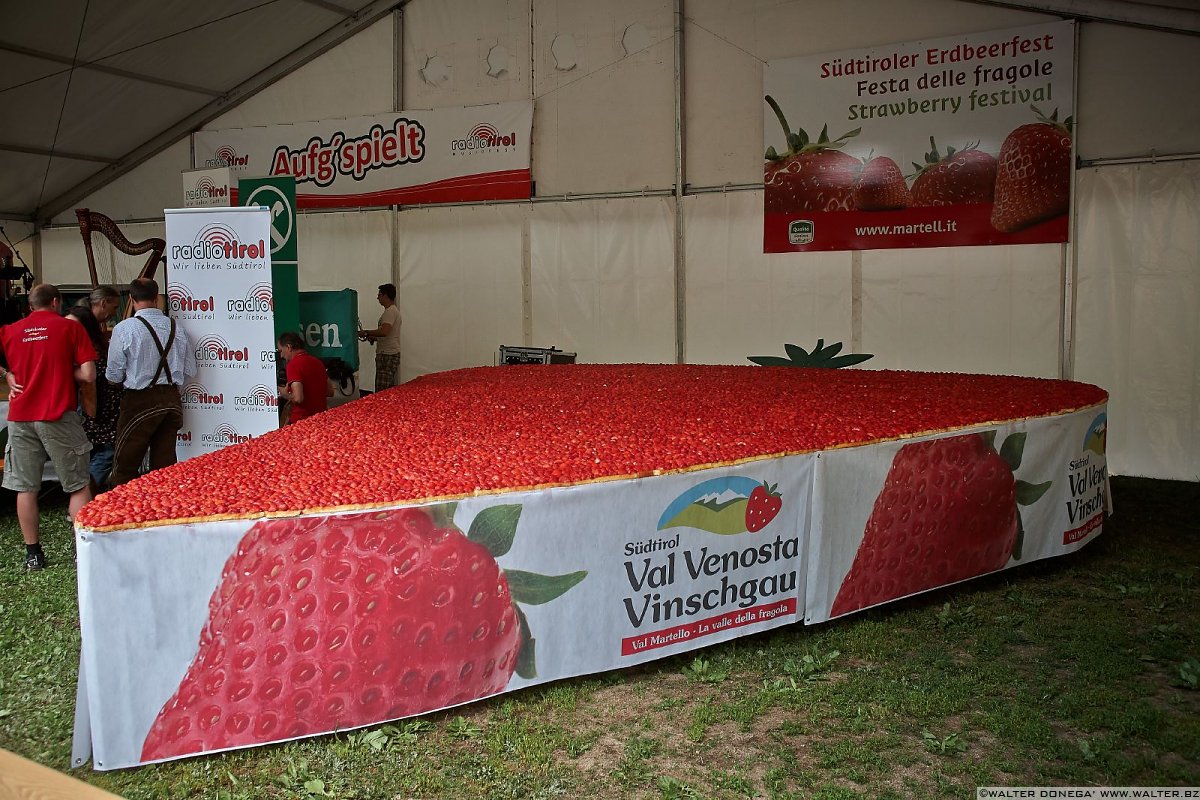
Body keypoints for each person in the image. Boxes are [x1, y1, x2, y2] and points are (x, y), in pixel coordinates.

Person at [0, 283, 96, 570]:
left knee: (25, 487)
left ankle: (33, 554)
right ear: (56, 302)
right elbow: (89, 374)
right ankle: (82, 551)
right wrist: (63, 368)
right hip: (57, 415)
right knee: (78, 484)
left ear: (30, 305)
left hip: (20, 418)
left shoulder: (11, 330)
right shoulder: (70, 328)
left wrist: (7, 374)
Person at [106, 278, 195, 487]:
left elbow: (113, 375)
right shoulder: (177, 328)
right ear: (157, 298)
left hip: (139, 400)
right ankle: (163, 510)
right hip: (171, 399)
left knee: (125, 464)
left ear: (131, 298)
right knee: (164, 466)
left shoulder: (124, 329)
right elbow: (190, 370)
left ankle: (121, 511)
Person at [66, 286, 123, 491]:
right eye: (114, 306)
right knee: (106, 450)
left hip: (97, 403)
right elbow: (88, 380)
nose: (115, 312)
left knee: (99, 449)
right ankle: (84, 494)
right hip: (95, 404)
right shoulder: (88, 344)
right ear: (103, 303)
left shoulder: (89, 341)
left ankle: (82, 493)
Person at [277, 331, 328, 424]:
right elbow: (330, 391)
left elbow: (298, 398)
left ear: (288, 347)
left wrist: (285, 394)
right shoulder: (318, 362)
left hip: (301, 421)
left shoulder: (293, 365)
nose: (281, 355)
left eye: (281, 351)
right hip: (321, 419)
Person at [357, 283, 401, 391]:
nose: (377, 297)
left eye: (379, 294)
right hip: (388, 354)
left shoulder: (390, 312)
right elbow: (388, 334)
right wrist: (373, 337)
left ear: (385, 296)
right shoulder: (392, 311)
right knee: (387, 389)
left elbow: (384, 331)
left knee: (382, 390)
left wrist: (366, 333)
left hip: (387, 356)